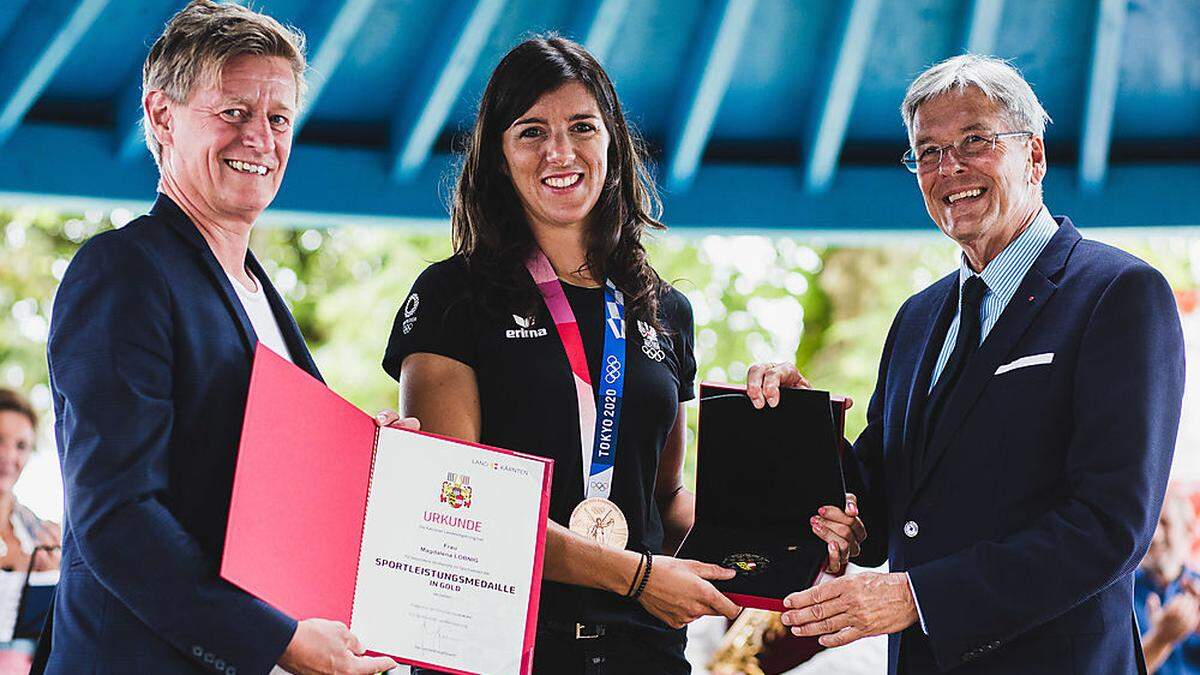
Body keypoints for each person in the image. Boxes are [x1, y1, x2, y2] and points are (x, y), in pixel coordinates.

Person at [382, 35, 861, 674]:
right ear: (498, 156)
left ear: (613, 143)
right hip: (499, 653)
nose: (560, 152)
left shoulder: (664, 312)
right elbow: (457, 503)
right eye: (530, 132)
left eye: (583, 127)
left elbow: (664, 504)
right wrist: (636, 577)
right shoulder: (451, 295)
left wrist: (791, 538)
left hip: (646, 656)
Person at [746, 54, 1186, 673]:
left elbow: (1109, 526)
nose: (949, 168)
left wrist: (918, 597)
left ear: (1034, 156)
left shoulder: (1119, 293)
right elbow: (879, 495)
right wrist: (799, 423)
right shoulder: (917, 318)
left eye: (975, 141)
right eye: (927, 152)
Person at [40, 2, 412, 673]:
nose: (261, 140)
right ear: (161, 116)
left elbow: (253, 490)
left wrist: (370, 469)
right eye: (233, 112)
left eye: (278, 119)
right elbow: (117, 518)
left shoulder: (260, 295)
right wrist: (278, 642)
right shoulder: (125, 271)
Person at [0, 388, 60, 669]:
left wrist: (55, 575)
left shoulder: (37, 533)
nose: (8, 456)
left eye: (21, 445)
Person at [1137, 492, 1200, 673]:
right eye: (1148, 525)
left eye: (1164, 523)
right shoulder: (1121, 599)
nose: (1154, 536)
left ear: (1188, 530)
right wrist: (1160, 640)